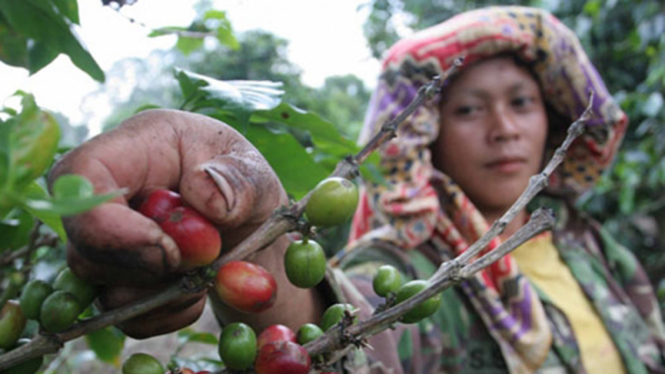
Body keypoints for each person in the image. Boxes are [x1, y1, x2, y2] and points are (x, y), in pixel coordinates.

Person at [48, 5, 664, 374]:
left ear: (550, 120)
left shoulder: (596, 248)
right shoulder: (404, 260)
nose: (504, 129)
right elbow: (342, 333)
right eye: (472, 110)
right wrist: (246, 237)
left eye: (522, 104)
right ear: (426, 133)